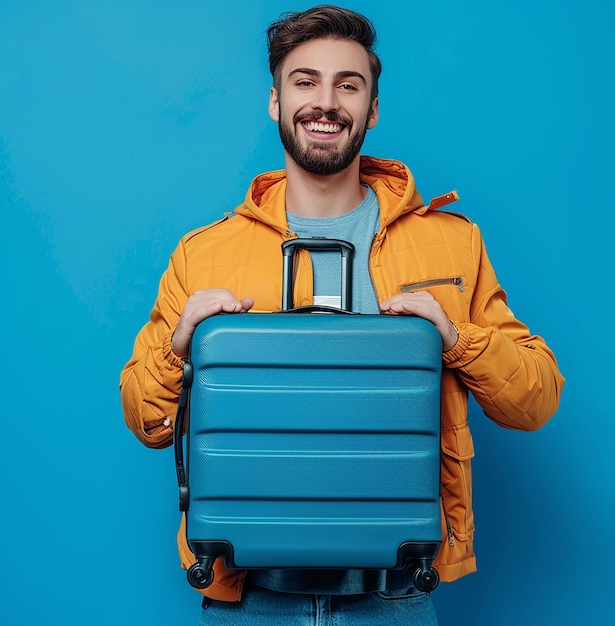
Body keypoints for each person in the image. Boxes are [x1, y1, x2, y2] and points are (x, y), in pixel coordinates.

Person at [120, 5, 564, 624]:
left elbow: (536, 400)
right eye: (305, 81)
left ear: (372, 108)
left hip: (394, 597)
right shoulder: (205, 253)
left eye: (347, 84)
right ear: (274, 100)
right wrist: (177, 348)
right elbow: (146, 421)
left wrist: (458, 340)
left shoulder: (451, 244)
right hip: (248, 598)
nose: (324, 103)